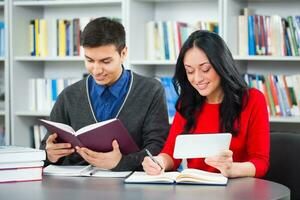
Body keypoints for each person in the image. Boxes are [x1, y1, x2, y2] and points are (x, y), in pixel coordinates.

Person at [40, 17, 169, 171]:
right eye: (89, 60)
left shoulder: (151, 90)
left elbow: (157, 149)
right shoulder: (69, 96)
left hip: (130, 185)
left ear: (123, 53)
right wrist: (50, 155)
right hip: (77, 186)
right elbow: (45, 149)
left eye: (105, 61)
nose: (96, 70)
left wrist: (121, 162)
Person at [142, 30, 270, 178]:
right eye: (190, 71)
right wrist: (158, 162)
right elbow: (171, 154)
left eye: (205, 69)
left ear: (222, 65)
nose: (197, 78)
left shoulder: (252, 99)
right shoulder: (187, 103)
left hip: (238, 190)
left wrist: (231, 169)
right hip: (196, 190)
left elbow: (260, 162)